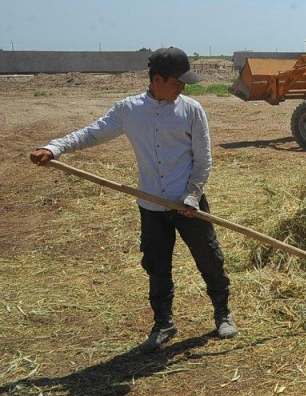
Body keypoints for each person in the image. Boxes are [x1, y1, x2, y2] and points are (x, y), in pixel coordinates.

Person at [30, 47, 237, 353]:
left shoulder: (192, 110)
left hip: (188, 204)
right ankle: (163, 323)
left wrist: (192, 196)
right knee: (156, 266)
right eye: (177, 80)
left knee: (209, 258)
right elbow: (92, 133)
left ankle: (222, 313)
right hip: (151, 205)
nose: (182, 86)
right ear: (157, 79)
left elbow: (203, 160)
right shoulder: (129, 110)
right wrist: (55, 148)